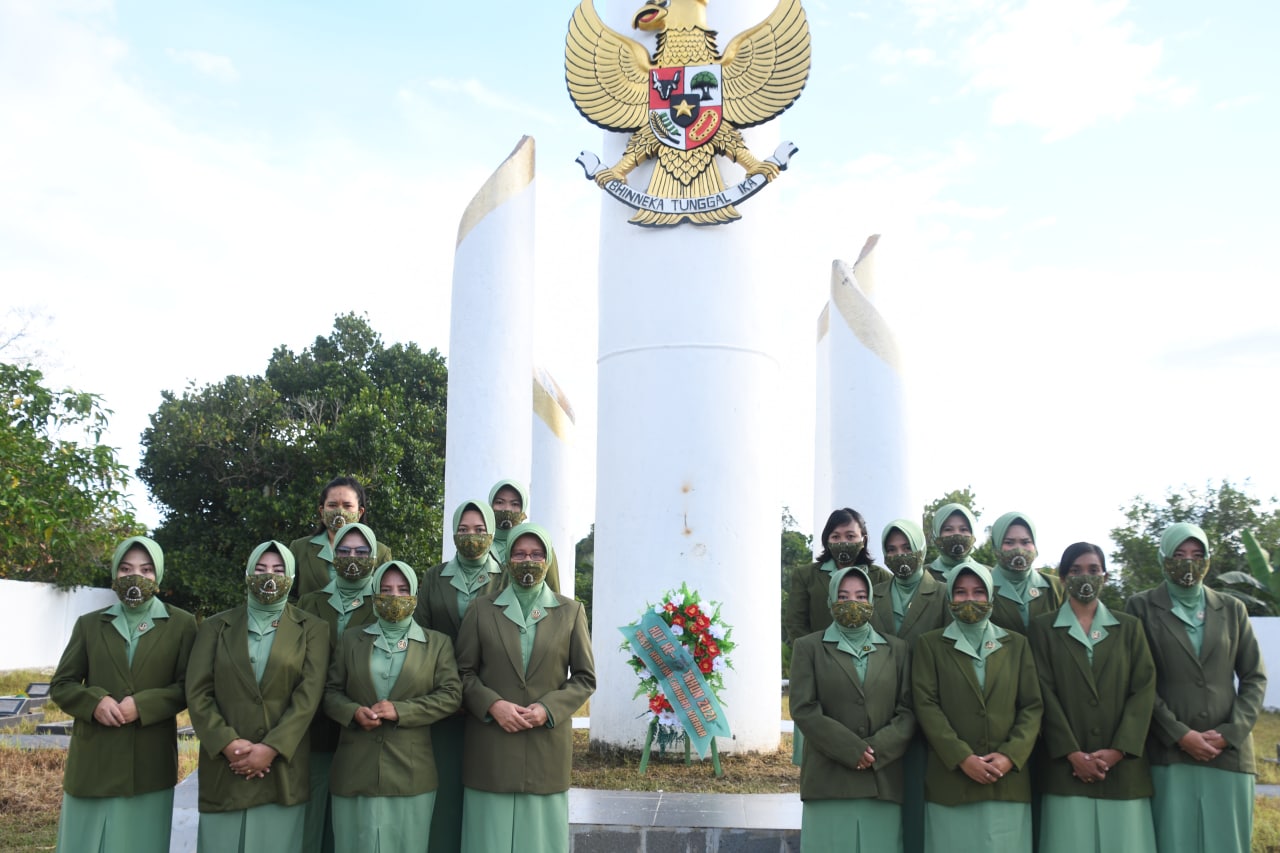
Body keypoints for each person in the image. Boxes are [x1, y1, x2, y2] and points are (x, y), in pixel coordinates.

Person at [50, 536, 198, 853]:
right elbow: (62, 684)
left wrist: (143, 706)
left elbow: (189, 687)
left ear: (158, 576)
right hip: (94, 760)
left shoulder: (182, 624)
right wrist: (94, 702)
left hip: (149, 761)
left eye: (146, 570)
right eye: (126, 568)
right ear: (115, 574)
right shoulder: (89, 625)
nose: (136, 577)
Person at [1125, 522, 1266, 853]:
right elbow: (1138, 680)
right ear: (1163, 558)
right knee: (1175, 841)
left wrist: (1231, 732)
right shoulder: (1141, 607)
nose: (1188, 562)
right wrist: (1179, 734)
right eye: (1179, 554)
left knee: (1227, 842)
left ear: (1207, 559)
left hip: (1228, 755)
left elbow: (1254, 677)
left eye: (1197, 554)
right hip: (1169, 753)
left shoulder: (1232, 609)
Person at [455, 523, 595, 853]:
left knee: (540, 842)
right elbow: (462, 673)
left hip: (545, 747)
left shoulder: (570, 612)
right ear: (506, 559)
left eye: (536, 554)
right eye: (519, 553)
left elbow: (585, 678)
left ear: (548, 560)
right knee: (487, 841)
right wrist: (492, 705)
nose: (527, 560)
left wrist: (548, 708)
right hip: (490, 748)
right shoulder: (482, 609)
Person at [186, 541, 329, 853]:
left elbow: (309, 696)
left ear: (292, 577)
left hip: (282, 767)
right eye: (261, 569)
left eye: (279, 570)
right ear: (248, 572)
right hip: (226, 765)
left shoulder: (312, 629)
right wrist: (226, 743)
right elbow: (197, 691)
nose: (270, 576)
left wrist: (272, 747)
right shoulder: (215, 627)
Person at [325, 561, 462, 852]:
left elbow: (451, 695)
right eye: (385, 589)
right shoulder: (351, 639)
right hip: (354, 770)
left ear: (414, 594)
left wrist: (403, 710)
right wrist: (352, 712)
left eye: (402, 589)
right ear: (374, 594)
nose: (394, 596)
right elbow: (330, 692)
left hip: (411, 772)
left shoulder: (437, 643)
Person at [1029, 542, 1157, 853]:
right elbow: (1041, 691)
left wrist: (1118, 749)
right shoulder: (1042, 628)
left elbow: (1143, 689)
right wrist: (1071, 752)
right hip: (1065, 769)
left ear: (1105, 576)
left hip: (1123, 769)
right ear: (1062, 579)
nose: (1084, 577)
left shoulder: (1129, 627)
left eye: (1093, 570)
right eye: (1075, 571)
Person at [912, 560, 1043, 853]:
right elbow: (926, 705)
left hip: (1007, 781)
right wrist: (962, 757)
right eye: (960, 592)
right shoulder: (930, 645)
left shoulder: (1016, 645)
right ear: (949, 599)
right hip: (951, 781)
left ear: (990, 596)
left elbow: (1031, 706)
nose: (969, 599)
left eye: (978, 592)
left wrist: (1010, 756)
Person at [791, 565, 916, 853]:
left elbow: (908, 710)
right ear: (831, 600)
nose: (853, 603)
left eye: (861, 596)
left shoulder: (897, 649)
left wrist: (874, 750)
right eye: (844, 596)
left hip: (882, 780)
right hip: (827, 779)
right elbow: (803, 708)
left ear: (872, 600)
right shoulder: (808, 647)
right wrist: (851, 749)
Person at [413, 499, 505, 853]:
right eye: (464, 530)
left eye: (480, 530)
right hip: (444, 706)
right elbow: (420, 636)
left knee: (484, 793)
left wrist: (481, 695)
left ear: (492, 532)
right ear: (452, 533)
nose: (471, 537)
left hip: (491, 703)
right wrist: (446, 690)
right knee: (446, 788)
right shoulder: (434, 577)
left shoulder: (506, 575)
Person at [296, 522, 382, 853]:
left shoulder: (384, 603)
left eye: (362, 552)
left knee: (353, 822)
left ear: (374, 556)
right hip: (313, 723)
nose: (352, 558)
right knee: (312, 812)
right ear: (332, 555)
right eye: (344, 550)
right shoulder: (309, 602)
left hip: (363, 725)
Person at [869, 519, 948, 853]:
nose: (899, 555)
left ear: (922, 549)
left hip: (929, 706)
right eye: (891, 549)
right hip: (883, 708)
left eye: (906, 548)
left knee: (920, 791)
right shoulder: (875, 594)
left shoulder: (943, 593)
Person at [291, 476, 392, 598]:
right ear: (322, 511)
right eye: (332, 505)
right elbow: (288, 597)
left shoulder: (380, 552)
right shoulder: (300, 548)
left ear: (360, 512)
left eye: (347, 506)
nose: (339, 512)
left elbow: (386, 598)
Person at [987, 512, 1063, 634]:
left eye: (1025, 542)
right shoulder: (982, 587)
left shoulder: (1057, 587)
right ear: (996, 546)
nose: (1019, 549)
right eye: (1009, 542)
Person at [487, 478, 561, 592]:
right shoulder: (481, 545)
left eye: (515, 504)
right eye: (499, 502)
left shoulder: (542, 547)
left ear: (523, 508)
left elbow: (553, 594)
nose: (507, 509)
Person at [925, 503, 989, 582]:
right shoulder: (923, 575)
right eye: (948, 529)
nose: (957, 534)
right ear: (937, 534)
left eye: (963, 529)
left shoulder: (988, 574)